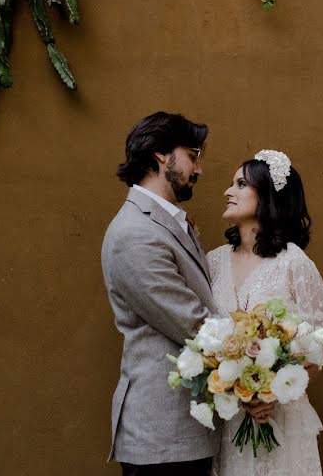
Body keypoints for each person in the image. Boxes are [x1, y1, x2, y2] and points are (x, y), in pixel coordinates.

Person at [101, 112, 220, 476]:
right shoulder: (135, 233)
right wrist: (261, 354)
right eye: (193, 155)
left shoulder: (167, 223)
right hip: (161, 440)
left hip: (184, 435)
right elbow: (192, 323)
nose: (199, 169)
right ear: (160, 155)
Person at [208, 149, 323, 476]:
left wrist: (272, 395)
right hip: (228, 417)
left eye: (240, 184)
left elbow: (320, 348)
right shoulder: (212, 262)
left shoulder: (294, 263)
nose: (228, 192)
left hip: (279, 419)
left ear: (266, 197)